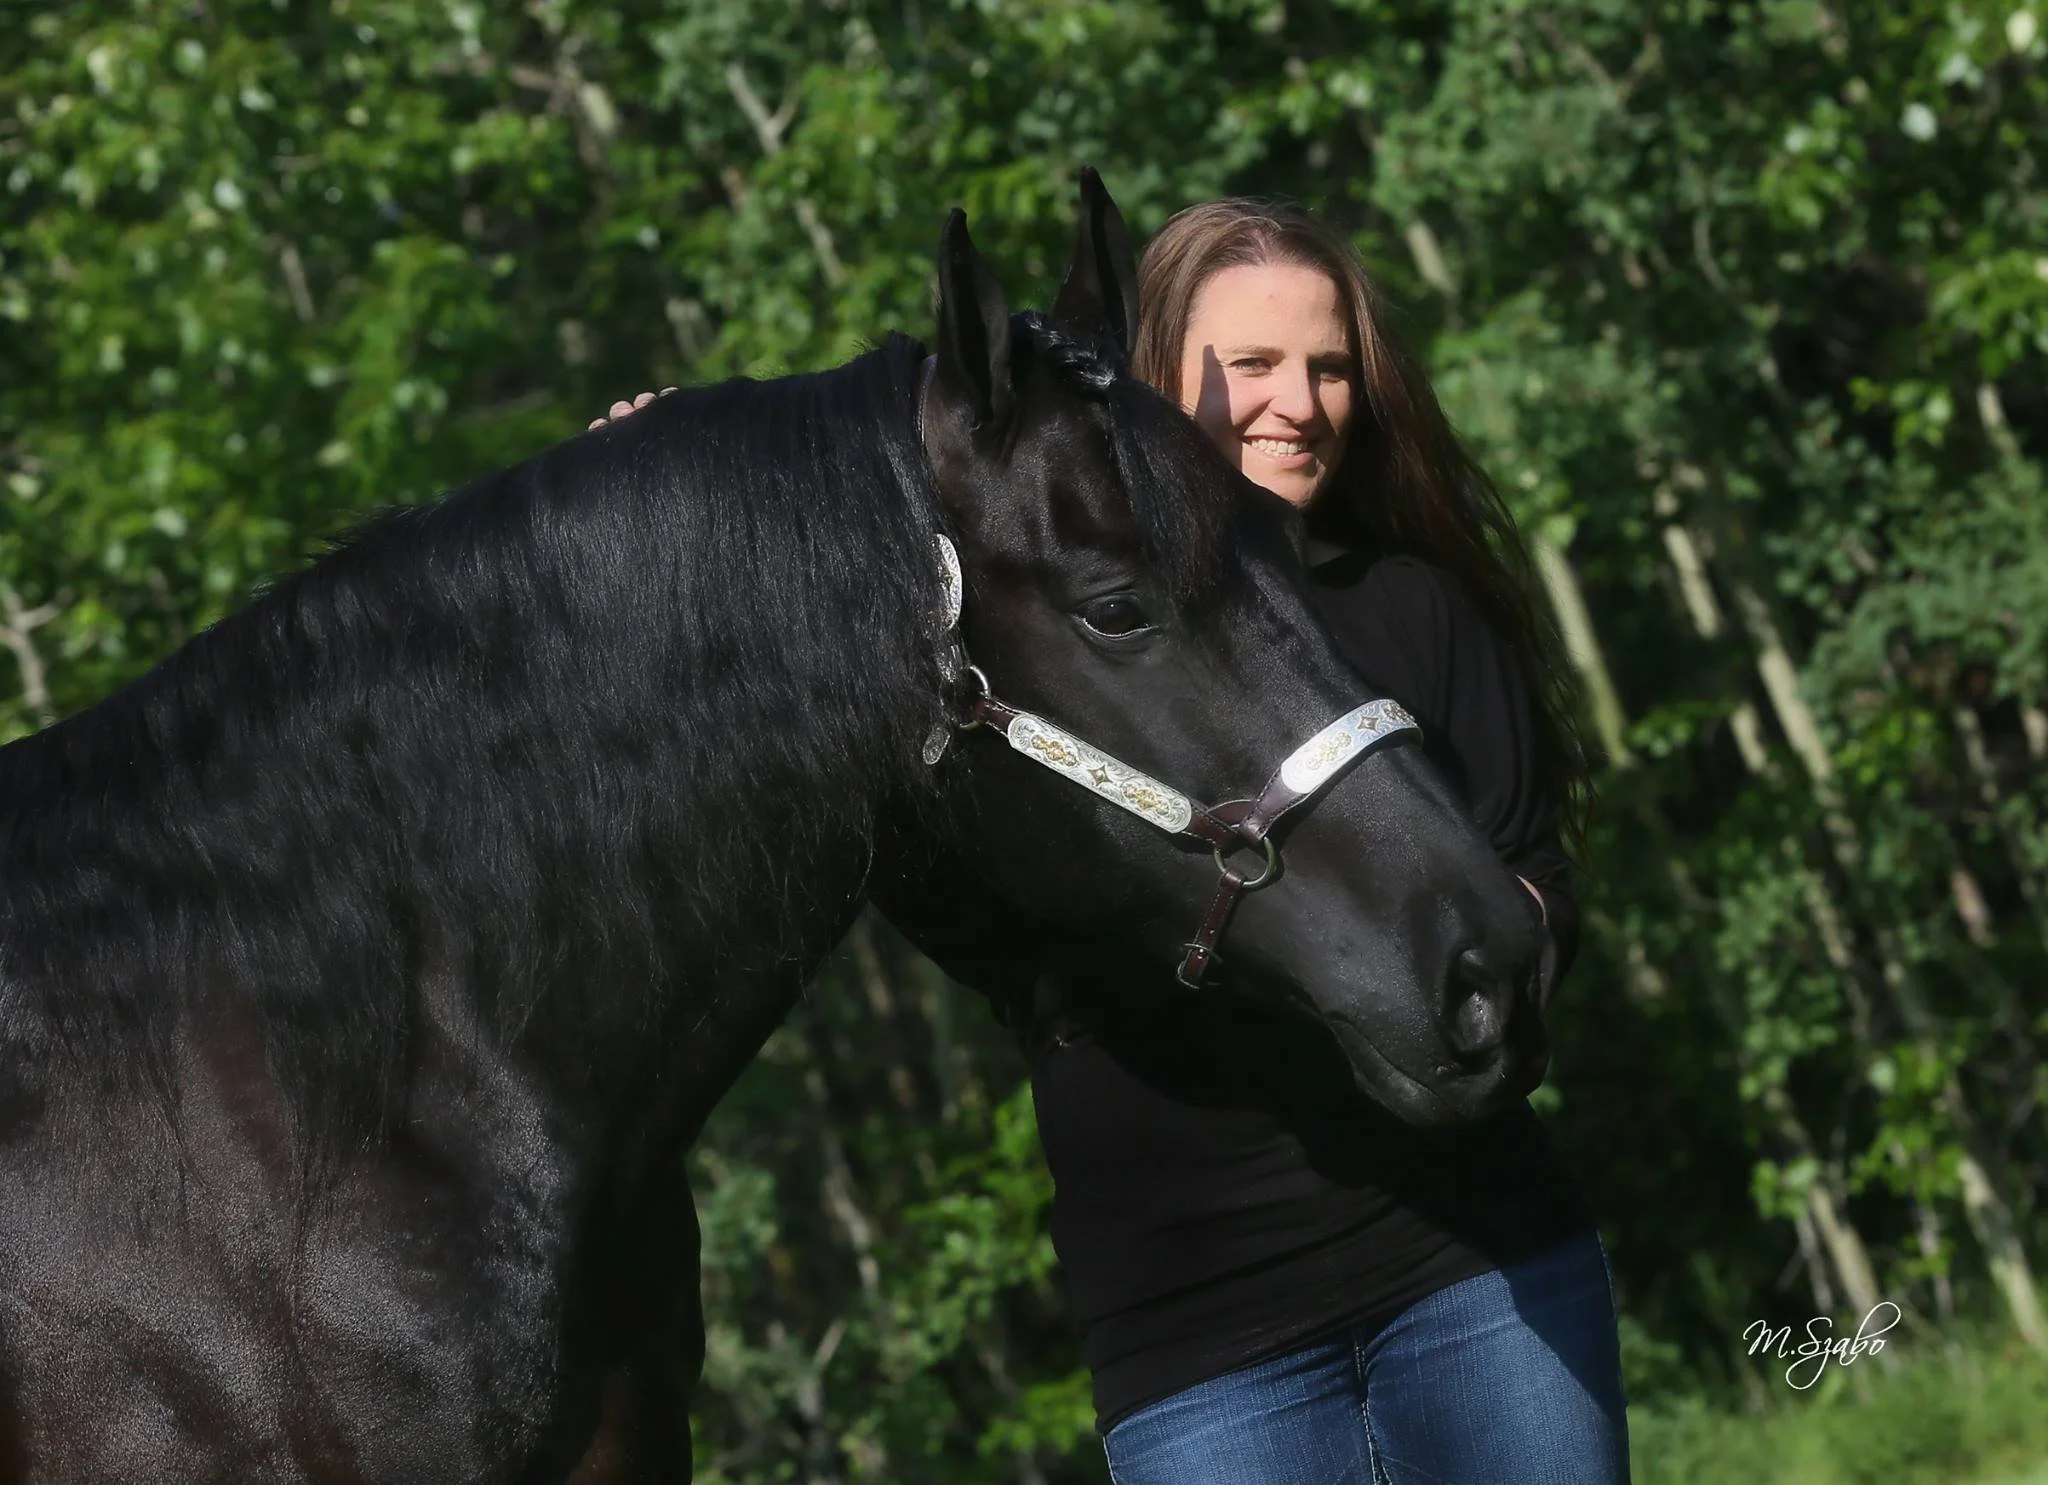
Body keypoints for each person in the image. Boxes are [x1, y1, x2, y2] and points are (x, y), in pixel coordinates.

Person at [597, 198, 1628, 1485]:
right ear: (1152, 376)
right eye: (1248, 366)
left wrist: (1499, 944)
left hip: (1475, 1272)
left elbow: (1537, 879)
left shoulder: (1415, 605)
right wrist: (686, 479)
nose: (1295, 403)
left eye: (1327, 366)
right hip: (1197, 1334)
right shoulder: (1030, 657)